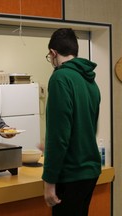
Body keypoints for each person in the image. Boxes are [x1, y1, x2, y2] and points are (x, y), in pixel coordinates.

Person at [42, 28, 101, 216]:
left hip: (70, 174)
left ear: (53, 53)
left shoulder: (60, 78)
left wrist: (49, 181)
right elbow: (89, 128)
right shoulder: (90, 81)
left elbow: (58, 135)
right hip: (90, 171)